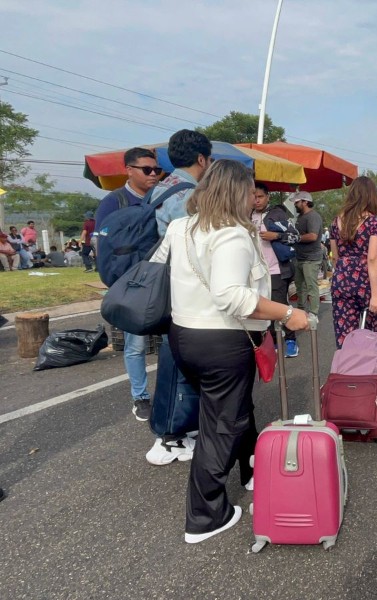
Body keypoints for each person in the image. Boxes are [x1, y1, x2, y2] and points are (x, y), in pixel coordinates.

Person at [151, 159, 309, 544]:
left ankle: (252, 470)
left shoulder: (179, 226)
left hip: (184, 334)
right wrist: (290, 313)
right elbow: (233, 297)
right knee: (222, 423)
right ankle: (204, 516)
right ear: (238, 193)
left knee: (232, 409)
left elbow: (158, 269)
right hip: (222, 340)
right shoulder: (234, 235)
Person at [145, 129, 212, 465]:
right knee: (177, 358)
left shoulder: (161, 187)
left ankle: (181, 425)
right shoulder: (189, 196)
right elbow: (192, 247)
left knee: (179, 356)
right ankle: (168, 433)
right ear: (202, 158)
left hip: (161, 283)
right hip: (179, 288)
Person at [95, 147, 161, 423]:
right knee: (135, 345)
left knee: (172, 341)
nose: (154, 175)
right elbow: (102, 249)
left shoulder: (162, 199)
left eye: (157, 170)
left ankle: (173, 394)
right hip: (131, 285)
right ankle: (140, 397)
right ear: (129, 170)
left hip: (161, 280)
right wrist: (115, 284)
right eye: (147, 170)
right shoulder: (114, 202)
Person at [329, 176, 377, 348]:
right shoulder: (374, 222)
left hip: (341, 278)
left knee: (345, 335)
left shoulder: (336, 221)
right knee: (370, 335)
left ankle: (347, 370)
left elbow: (335, 256)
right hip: (365, 279)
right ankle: (368, 372)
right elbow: (373, 258)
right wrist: (375, 295)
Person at [252, 182, 299, 358]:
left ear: (268, 197)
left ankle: (290, 340)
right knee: (261, 308)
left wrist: (277, 235)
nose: (256, 200)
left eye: (260, 197)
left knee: (279, 306)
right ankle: (272, 341)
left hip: (276, 270)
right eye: (254, 196)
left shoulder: (277, 214)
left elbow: (296, 236)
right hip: (256, 272)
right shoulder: (245, 215)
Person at [151, 129, 212, 236]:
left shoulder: (158, 188)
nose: (211, 165)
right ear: (201, 160)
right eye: (210, 160)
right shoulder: (192, 196)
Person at [291, 191, 324, 316]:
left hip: (311, 258)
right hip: (300, 257)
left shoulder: (313, 216)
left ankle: (313, 313)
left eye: (297, 202)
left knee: (311, 287)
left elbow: (313, 236)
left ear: (305, 202)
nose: (295, 204)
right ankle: (301, 310)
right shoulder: (301, 217)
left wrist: (296, 238)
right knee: (300, 287)